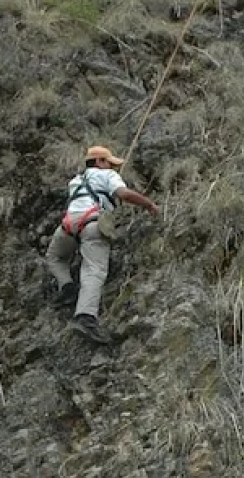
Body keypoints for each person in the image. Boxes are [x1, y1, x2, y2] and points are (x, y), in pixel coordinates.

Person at [43, 144, 161, 345]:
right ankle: (85, 317)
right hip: (92, 224)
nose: (113, 168)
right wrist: (149, 204)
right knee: (94, 270)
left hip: (68, 224)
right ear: (99, 161)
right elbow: (123, 194)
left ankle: (68, 286)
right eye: (109, 163)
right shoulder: (107, 176)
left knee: (54, 257)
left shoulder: (75, 181)